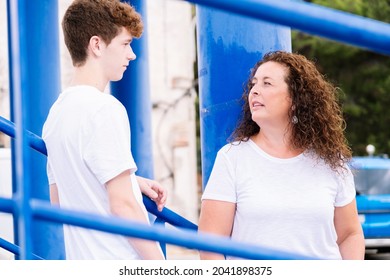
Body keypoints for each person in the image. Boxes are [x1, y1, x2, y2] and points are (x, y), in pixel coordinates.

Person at [198, 51, 365, 260]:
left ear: (295, 98)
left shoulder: (331, 161)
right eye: (254, 84)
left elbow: (350, 234)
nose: (255, 91)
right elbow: (209, 243)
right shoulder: (232, 158)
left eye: (267, 84)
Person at [42, 0, 166, 260]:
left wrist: (130, 181)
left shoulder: (56, 115)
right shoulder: (104, 109)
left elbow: (60, 199)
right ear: (97, 45)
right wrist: (161, 266)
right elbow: (123, 205)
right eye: (125, 44)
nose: (131, 54)